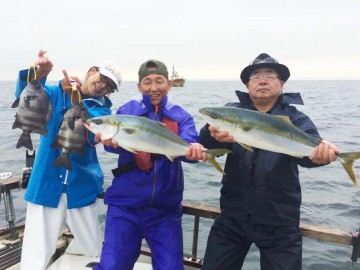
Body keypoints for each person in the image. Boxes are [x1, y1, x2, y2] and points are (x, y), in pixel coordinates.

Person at [199, 53, 339, 270]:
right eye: (255, 76)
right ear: (247, 85)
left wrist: (322, 157)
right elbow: (208, 145)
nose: (262, 80)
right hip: (233, 217)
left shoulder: (297, 120)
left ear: (282, 83)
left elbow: (308, 159)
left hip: (280, 222)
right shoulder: (233, 113)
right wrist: (211, 134)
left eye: (270, 75)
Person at [93, 59, 206, 270]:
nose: (153, 87)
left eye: (159, 81)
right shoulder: (127, 112)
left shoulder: (181, 116)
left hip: (165, 209)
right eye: (147, 82)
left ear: (169, 84)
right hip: (125, 205)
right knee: (112, 266)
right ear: (139, 86)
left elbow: (188, 145)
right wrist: (109, 143)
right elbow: (112, 146)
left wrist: (194, 151)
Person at [16, 50, 122, 270]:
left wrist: (75, 98)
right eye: (103, 79)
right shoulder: (55, 93)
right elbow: (25, 98)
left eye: (110, 86)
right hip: (46, 182)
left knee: (91, 249)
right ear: (92, 71)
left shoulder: (103, 110)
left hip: (81, 186)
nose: (104, 86)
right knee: (35, 253)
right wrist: (37, 75)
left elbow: (93, 132)